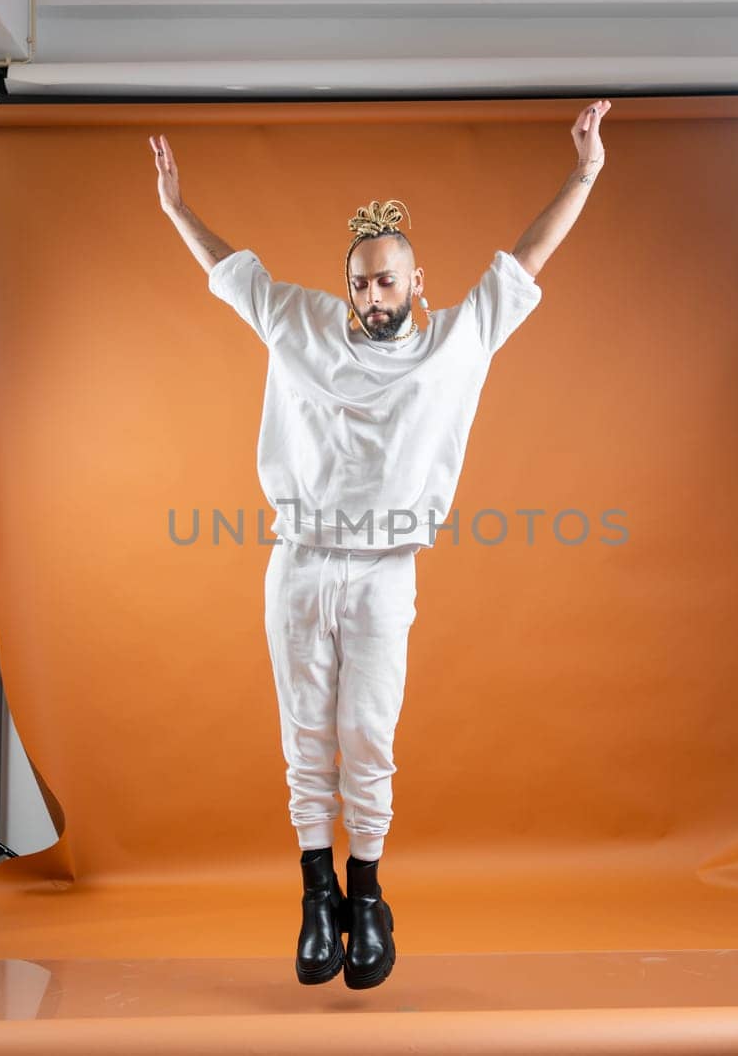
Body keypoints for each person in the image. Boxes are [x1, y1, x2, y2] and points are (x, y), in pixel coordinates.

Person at [151, 99, 610, 990]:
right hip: (298, 561)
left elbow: (526, 258)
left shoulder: (457, 340)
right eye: (361, 281)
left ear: (416, 281)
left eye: (388, 280)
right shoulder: (300, 321)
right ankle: (316, 895)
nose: (373, 295)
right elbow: (229, 269)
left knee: (365, 732)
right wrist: (175, 207)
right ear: (347, 284)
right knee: (303, 736)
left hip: (384, 572)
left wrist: (585, 172)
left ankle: (368, 895)